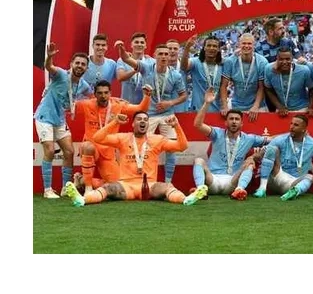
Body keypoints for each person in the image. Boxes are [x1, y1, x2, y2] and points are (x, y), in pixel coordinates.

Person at [63, 112, 207, 206]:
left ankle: (186, 200)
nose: (142, 121)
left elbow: (182, 146)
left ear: (148, 124)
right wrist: (115, 122)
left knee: (167, 187)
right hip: (126, 185)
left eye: (145, 120)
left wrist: (176, 126)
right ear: (133, 124)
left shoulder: (157, 139)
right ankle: (82, 200)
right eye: (139, 119)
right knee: (108, 187)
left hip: (149, 185)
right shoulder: (123, 138)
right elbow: (97, 138)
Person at [116, 41, 187, 185]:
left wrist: (170, 103)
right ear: (155, 56)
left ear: (169, 56)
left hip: (167, 114)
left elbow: (184, 95)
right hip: (149, 115)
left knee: (171, 149)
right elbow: (126, 59)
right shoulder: (146, 68)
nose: (164, 56)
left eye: (166, 54)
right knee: (141, 147)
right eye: (160, 54)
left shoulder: (175, 75)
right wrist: (121, 49)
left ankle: (168, 183)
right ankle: (140, 180)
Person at [34, 43, 93, 198]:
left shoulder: (83, 85)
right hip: (44, 117)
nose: (80, 66)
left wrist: (113, 103)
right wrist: (50, 57)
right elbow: (49, 67)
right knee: (50, 151)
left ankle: (66, 188)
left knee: (69, 151)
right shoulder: (61, 74)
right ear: (71, 64)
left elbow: (94, 97)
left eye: (83, 64)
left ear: (86, 68)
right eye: (77, 63)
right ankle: (47, 190)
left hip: (60, 121)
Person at [191, 88, 271, 200]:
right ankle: (201, 190)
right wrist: (207, 103)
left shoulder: (249, 138)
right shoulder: (217, 133)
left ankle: (239, 190)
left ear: (241, 123)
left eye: (237, 119)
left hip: (233, 182)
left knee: (249, 164)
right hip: (213, 179)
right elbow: (197, 125)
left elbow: (271, 140)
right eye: (231, 119)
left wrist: (289, 135)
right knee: (198, 160)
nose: (234, 121)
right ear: (226, 122)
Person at [73, 80, 153, 193]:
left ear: (110, 93)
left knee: (116, 186)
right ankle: (88, 187)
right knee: (87, 146)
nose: (103, 96)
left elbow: (140, 109)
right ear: (94, 94)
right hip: (92, 147)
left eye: (106, 93)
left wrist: (147, 96)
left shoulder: (118, 105)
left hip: (108, 152)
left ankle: (81, 180)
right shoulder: (87, 104)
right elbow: (69, 105)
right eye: (100, 93)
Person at [253, 114, 313, 200]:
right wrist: (253, 157)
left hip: (293, 183)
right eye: (291, 123)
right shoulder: (280, 139)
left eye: (296, 125)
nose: (291, 127)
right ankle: (262, 188)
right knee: (272, 149)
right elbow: (262, 153)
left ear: (304, 129)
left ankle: (294, 191)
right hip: (277, 177)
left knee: (310, 177)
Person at [220, 33, 268, 121]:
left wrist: (256, 106)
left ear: (254, 45)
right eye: (244, 43)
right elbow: (223, 85)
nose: (246, 46)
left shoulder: (262, 62)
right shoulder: (230, 61)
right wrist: (224, 106)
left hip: (258, 105)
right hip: (236, 105)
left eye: (249, 43)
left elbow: (261, 87)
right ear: (239, 44)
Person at [264, 47, 313, 117]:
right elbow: (268, 89)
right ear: (277, 59)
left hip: (302, 109)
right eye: (281, 59)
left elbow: (312, 89)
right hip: (281, 110)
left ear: (292, 59)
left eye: (287, 59)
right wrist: (279, 106)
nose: (284, 62)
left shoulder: (304, 70)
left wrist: (310, 107)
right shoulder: (268, 69)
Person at [181, 34, 223, 112]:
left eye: (214, 46)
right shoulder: (195, 62)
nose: (211, 48)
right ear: (204, 47)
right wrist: (187, 48)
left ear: (218, 49)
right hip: (197, 110)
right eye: (209, 45)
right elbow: (183, 67)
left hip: (217, 111)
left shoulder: (223, 65)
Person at [116, 32, 150, 103]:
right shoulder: (122, 60)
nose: (139, 44)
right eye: (136, 42)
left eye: (142, 42)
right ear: (131, 45)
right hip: (126, 104)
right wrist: (136, 69)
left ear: (145, 46)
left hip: (144, 105)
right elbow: (120, 77)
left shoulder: (150, 62)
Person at [166, 38, 189, 113]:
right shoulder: (158, 66)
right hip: (164, 109)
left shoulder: (185, 66)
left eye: (175, 49)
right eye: (169, 48)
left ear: (179, 51)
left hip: (181, 109)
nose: (172, 51)